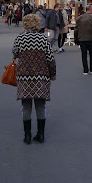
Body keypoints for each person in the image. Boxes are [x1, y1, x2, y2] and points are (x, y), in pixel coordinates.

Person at [12, 13, 56, 144]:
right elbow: (50, 59)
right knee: (40, 106)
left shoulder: (20, 38)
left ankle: (27, 135)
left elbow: (15, 52)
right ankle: (40, 134)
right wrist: (53, 74)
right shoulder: (43, 39)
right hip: (40, 76)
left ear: (25, 24)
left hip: (24, 77)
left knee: (26, 107)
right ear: (38, 24)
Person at [75, 5, 92, 75]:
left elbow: (76, 29)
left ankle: (85, 70)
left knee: (84, 55)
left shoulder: (79, 18)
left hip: (82, 38)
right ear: (91, 10)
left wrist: (76, 38)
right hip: (91, 38)